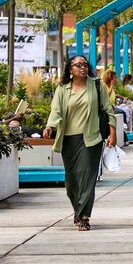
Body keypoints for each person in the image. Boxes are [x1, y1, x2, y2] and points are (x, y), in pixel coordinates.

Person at [43, 55, 116, 231]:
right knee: (71, 182)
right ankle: (77, 210)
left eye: (84, 65)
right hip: (68, 139)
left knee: (87, 178)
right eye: (78, 65)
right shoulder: (62, 89)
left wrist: (113, 134)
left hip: (91, 138)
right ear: (70, 70)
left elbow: (109, 110)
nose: (82, 68)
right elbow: (56, 110)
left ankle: (84, 217)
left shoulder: (97, 86)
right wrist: (50, 126)